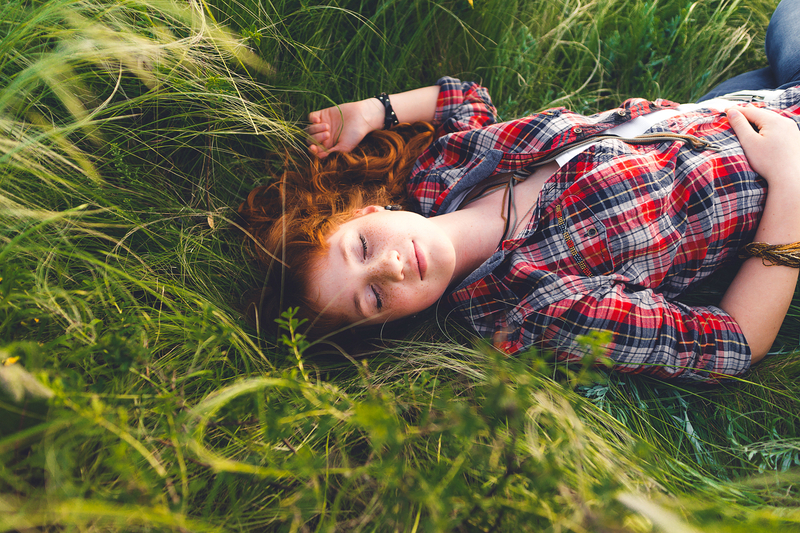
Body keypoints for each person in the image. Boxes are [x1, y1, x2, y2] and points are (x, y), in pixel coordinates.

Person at [240, 0, 800, 382]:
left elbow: (465, 99)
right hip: (780, 162)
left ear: (368, 211)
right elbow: (732, 343)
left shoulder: (442, 173)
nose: (389, 268)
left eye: (361, 248)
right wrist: (790, 182)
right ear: (393, 323)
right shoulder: (540, 311)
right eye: (374, 299)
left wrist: (373, 110)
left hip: (726, 110)